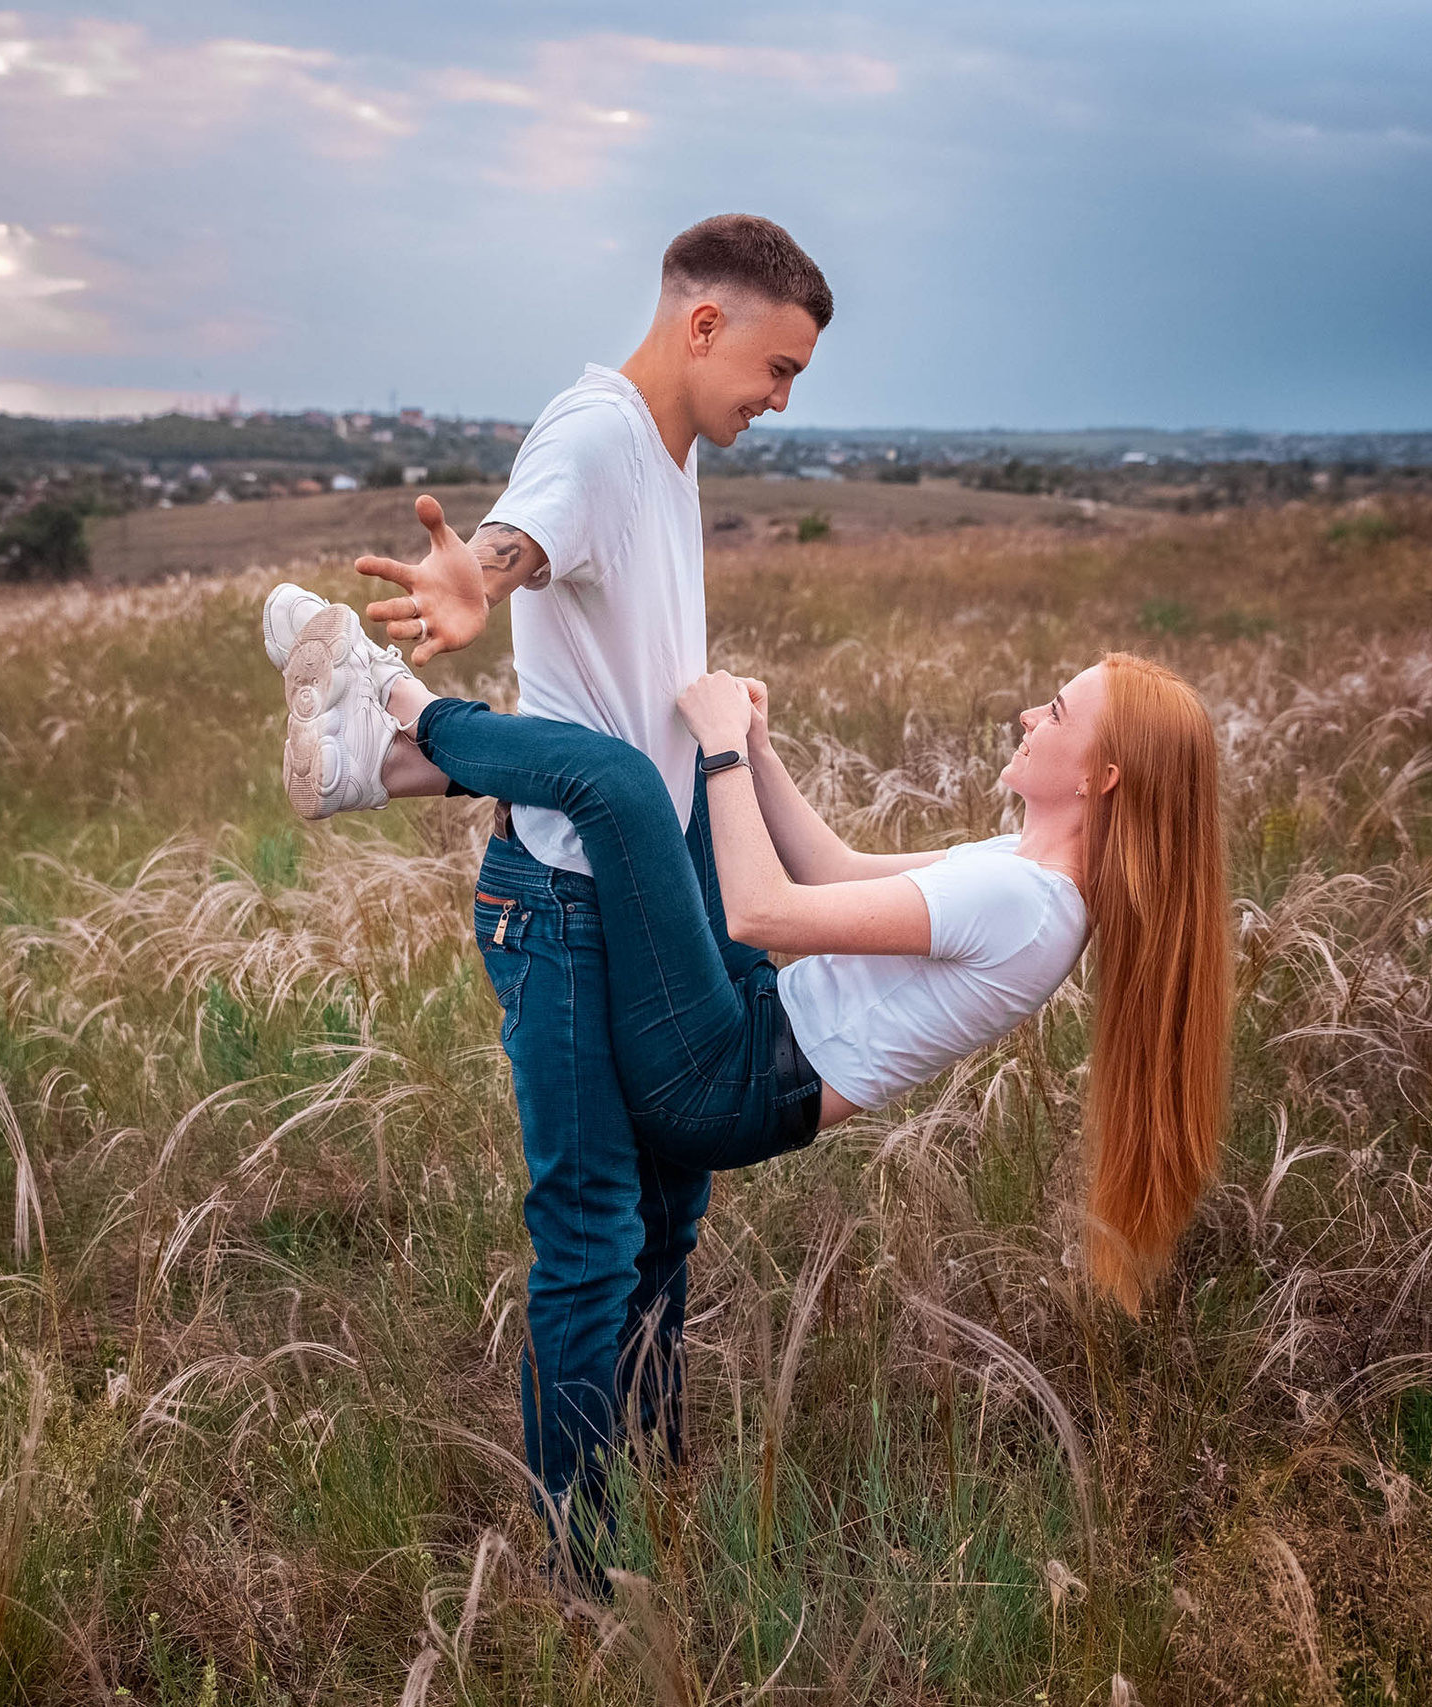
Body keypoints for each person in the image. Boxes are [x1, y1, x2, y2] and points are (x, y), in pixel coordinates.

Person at [263, 214, 836, 1567]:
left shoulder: (671, 462)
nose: (781, 399)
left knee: (672, 1213)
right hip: (568, 906)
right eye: (778, 367)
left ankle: (655, 1483)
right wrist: (475, 576)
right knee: (593, 1234)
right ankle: (586, 1567)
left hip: (659, 885)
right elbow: (519, 537)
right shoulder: (595, 435)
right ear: (705, 324)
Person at [261, 595, 1234, 1319]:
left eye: (1055, 715)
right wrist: (754, 751)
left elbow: (768, 911)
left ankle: (390, 692)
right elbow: (835, 870)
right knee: (669, 766)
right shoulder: (1023, 870)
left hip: (727, 1079)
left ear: (1103, 777)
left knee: (622, 788)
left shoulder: (1025, 904)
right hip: (748, 1032)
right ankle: (376, 765)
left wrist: (725, 749)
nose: (1028, 716)